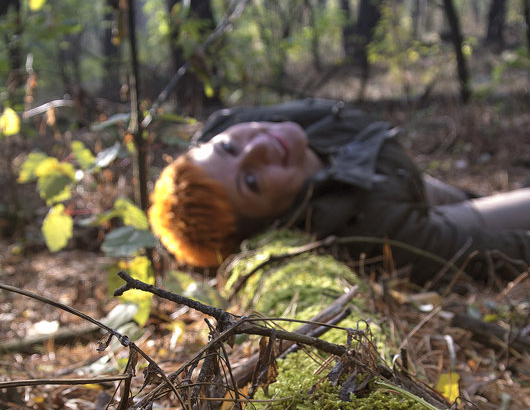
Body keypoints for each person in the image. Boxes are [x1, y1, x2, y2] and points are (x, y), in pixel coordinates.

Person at [148, 98, 530, 281]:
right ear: (272, 220)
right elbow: (490, 255)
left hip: (391, 173)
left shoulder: (237, 122)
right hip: (401, 209)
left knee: (460, 197)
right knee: (482, 216)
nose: (258, 147)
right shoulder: (372, 227)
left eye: (227, 148)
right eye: (252, 181)